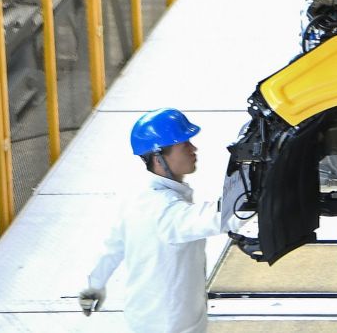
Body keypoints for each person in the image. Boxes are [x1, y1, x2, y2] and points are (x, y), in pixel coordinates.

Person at [79, 108, 241, 333]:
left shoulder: (138, 199)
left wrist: (94, 285)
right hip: (172, 324)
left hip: (150, 318)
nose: (193, 148)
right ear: (158, 158)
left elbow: (113, 246)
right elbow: (212, 219)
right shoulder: (164, 209)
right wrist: (248, 207)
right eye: (184, 144)